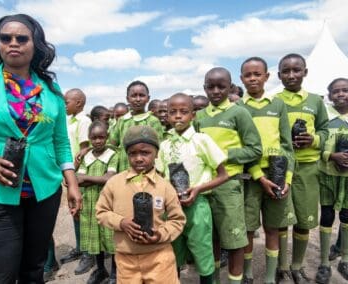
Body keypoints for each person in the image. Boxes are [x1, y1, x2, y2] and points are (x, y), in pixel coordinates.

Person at [0, 14, 81, 283]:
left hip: (43, 194)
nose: (13, 43)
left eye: (22, 38)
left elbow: (60, 141)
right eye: (5, 38)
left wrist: (72, 183)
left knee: (34, 270)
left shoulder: (50, 89)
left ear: (36, 45)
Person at [196, 67, 262, 284]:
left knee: (234, 241)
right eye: (210, 86)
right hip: (204, 187)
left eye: (221, 86)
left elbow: (254, 149)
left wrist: (222, 155)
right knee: (211, 239)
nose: (216, 91)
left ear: (230, 87)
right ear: (204, 88)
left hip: (229, 185)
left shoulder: (239, 113)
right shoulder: (199, 117)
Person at [96, 125, 186, 283]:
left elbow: (177, 220)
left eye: (145, 153)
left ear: (156, 153)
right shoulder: (114, 183)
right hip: (126, 260)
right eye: (133, 153)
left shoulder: (164, 186)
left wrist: (160, 234)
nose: (138, 158)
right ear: (127, 155)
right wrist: (121, 222)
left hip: (159, 258)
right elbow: (101, 213)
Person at [156, 93, 228, 284]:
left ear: (193, 115)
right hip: (171, 208)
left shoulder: (202, 140)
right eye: (173, 112)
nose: (178, 116)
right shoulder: (164, 145)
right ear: (167, 116)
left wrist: (197, 189)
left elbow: (223, 175)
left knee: (203, 251)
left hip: (198, 206)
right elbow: (160, 176)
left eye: (183, 112)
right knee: (173, 251)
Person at [237, 57, 296, 283]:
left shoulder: (278, 104)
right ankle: (249, 274)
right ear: (241, 79)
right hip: (251, 178)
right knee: (249, 229)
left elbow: (286, 145)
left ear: (267, 76)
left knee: (273, 228)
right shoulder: (239, 108)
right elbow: (241, 145)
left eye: (257, 74)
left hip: (277, 176)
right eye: (248, 75)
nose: (253, 79)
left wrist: (286, 179)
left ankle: (270, 277)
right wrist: (259, 177)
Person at [275, 53, 328, 284]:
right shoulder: (274, 101)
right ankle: (282, 266)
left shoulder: (316, 101)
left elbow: (326, 130)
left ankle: (296, 265)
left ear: (305, 72)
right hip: (281, 168)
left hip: (307, 169)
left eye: (296, 70)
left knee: (304, 221)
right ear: (279, 75)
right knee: (281, 219)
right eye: (286, 71)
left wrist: (313, 140)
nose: (291, 75)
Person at [77, 121, 118, 284]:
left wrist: (87, 178)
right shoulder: (86, 156)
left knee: (110, 238)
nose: (98, 141)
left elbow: (109, 178)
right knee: (95, 238)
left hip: (108, 203)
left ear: (107, 137)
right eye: (94, 138)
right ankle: (101, 269)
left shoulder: (112, 155)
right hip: (89, 203)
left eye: (102, 137)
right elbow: (78, 181)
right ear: (89, 138)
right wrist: (98, 179)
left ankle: (115, 274)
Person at [315, 78, 348, 283]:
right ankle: (324, 263)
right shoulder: (326, 117)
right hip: (327, 175)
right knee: (326, 216)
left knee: (346, 216)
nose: (341, 94)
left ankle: (345, 258)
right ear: (329, 96)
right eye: (336, 91)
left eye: (345, 90)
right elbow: (317, 143)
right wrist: (331, 156)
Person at [61, 88, 92, 274]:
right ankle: (81, 247)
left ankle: (89, 252)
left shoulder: (84, 121)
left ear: (78, 103)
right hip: (70, 173)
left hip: (79, 174)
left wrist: (71, 174)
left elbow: (83, 150)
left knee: (83, 212)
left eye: (67, 102)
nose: (65, 105)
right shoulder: (69, 120)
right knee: (75, 212)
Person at [109, 80, 163, 172]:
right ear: (127, 99)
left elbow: (159, 148)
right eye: (134, 96)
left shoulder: (153, 121)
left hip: (147, 171)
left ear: (148, 98)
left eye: (141, 95)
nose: (138, 99)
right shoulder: (122, 121)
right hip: (124, 170)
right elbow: (112, 145)